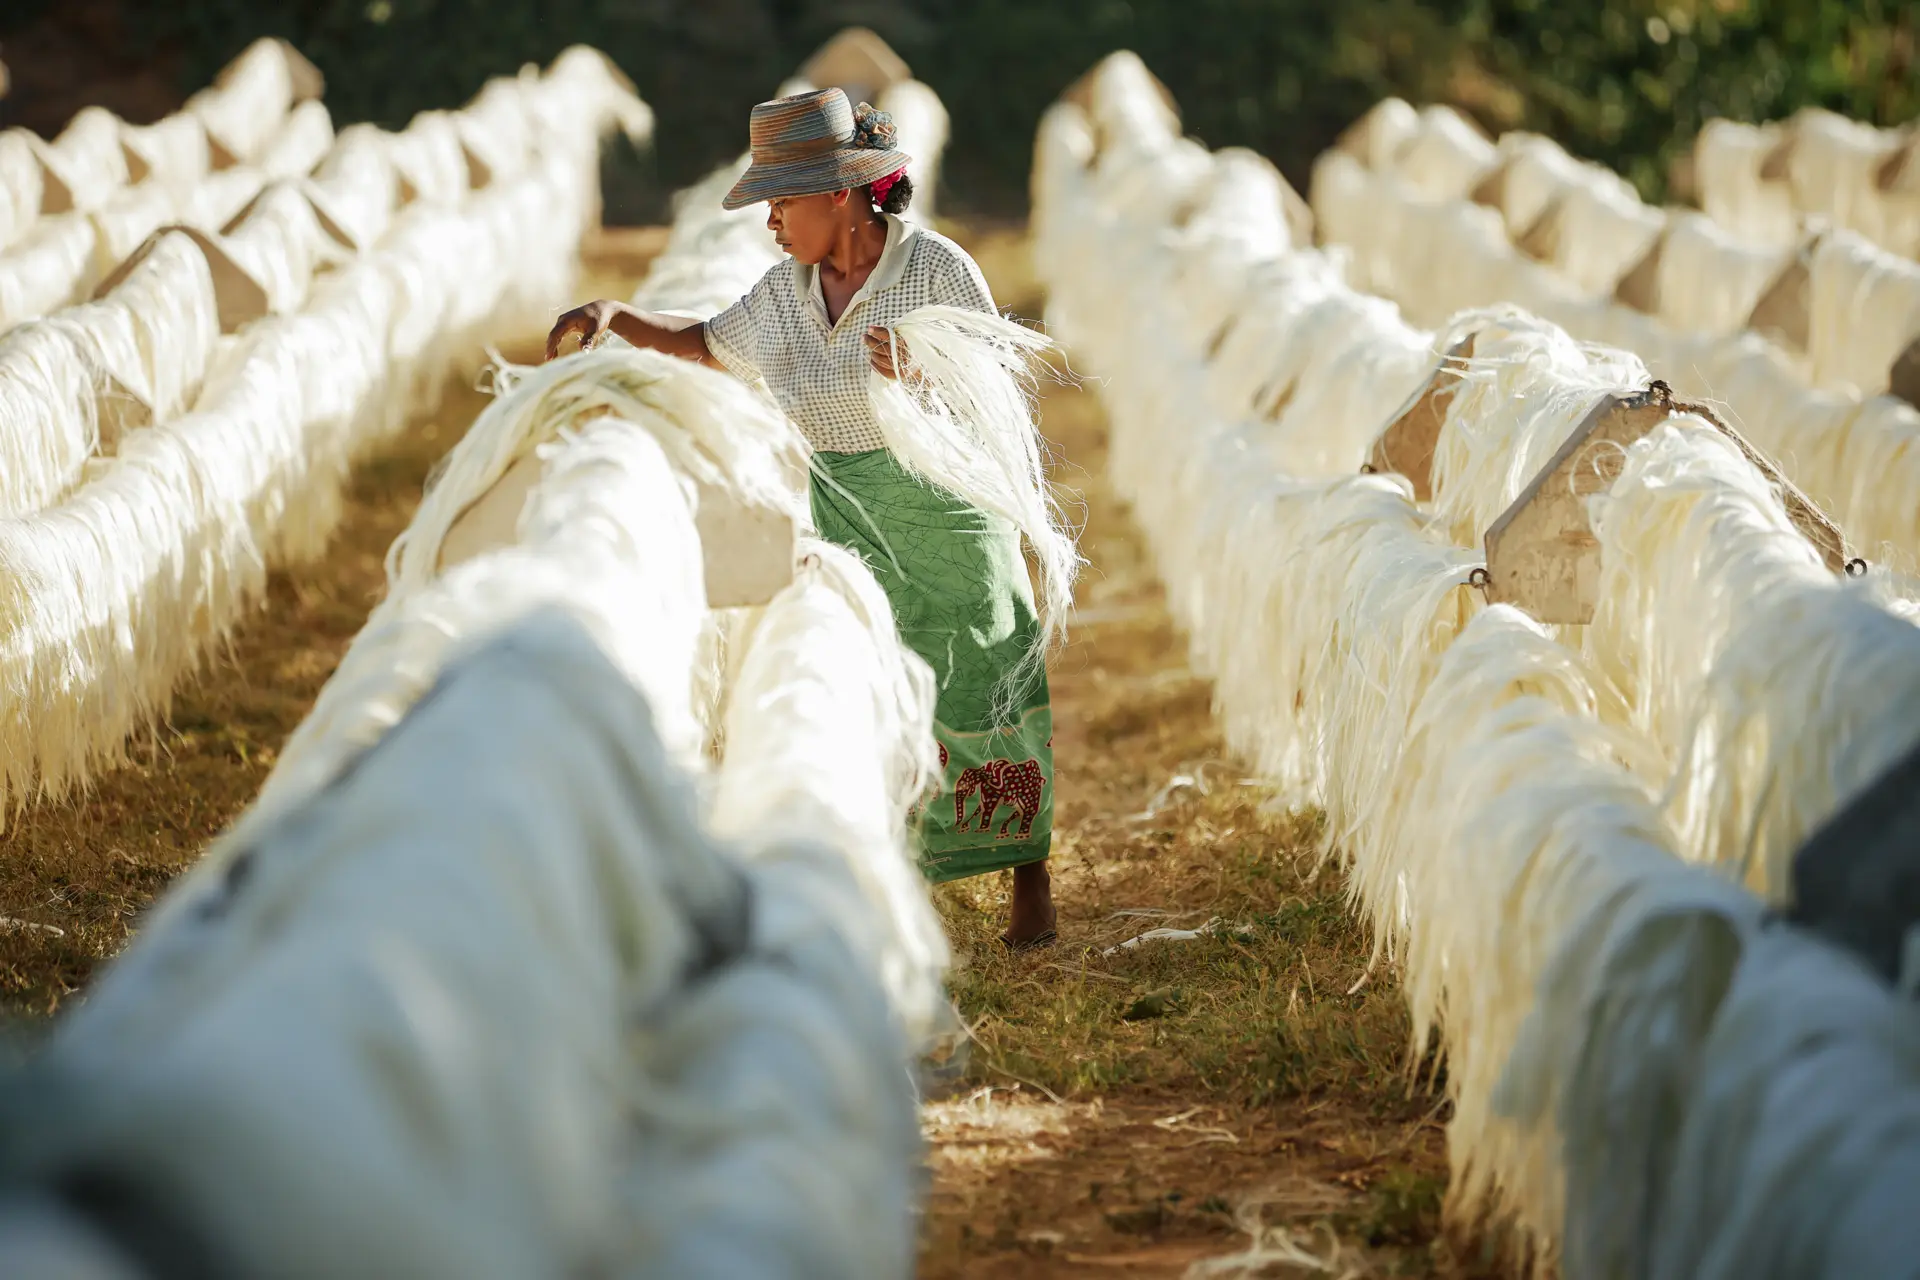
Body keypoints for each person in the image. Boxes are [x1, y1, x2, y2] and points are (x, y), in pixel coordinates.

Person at [546, 88, 1059, 950]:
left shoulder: (935, 269)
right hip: (843, 514)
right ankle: (888, 876)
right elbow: (706, 343)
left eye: (782, 202)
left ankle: (1028, 873)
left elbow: (1000, 386)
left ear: (840, 194)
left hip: (946, 513)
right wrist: (617, 316)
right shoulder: (784, 294)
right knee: (862, 677)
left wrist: (930, 370)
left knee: (984, 676)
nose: (772, 222)